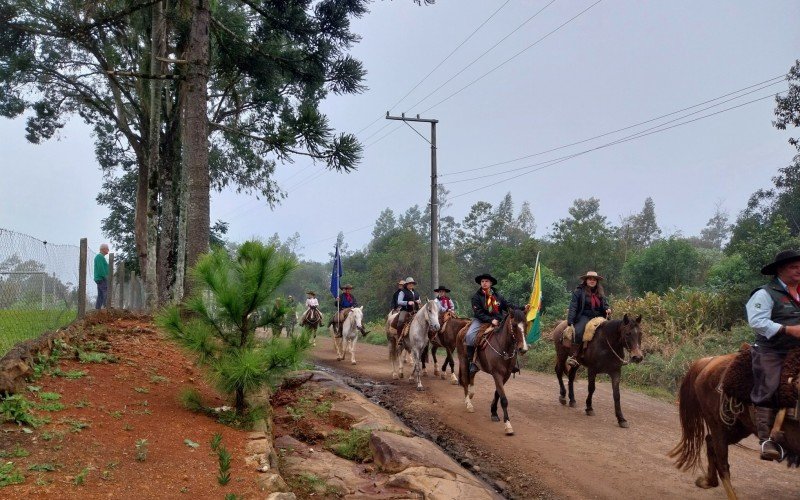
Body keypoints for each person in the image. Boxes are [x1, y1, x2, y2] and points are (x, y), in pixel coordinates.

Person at [746, 249, 800, 461]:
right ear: (780, 270)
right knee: (769, 382)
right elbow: (757, 322)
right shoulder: (765, 293)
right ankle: (767, 439)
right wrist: (788, 329)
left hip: (798, 350)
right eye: (793, 267)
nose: (799, 270)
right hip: (772, 350)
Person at [465, 273, 528, 374]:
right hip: (480, 320)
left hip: (498, 319)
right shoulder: (476, 297)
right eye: (482, 281)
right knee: (469, 335)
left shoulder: (497, 295)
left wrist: (522, 308)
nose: (484, 283)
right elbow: (478, 312)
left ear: (490, 283)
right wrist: (490, 320)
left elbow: (508, 305)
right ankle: (472, 362)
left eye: (486, 281)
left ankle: (512, 362)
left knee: (512, 334)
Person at [566, 271, 611, 368]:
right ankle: (574, 355)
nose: (592, 281)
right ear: (586, 280)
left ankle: (608, 356)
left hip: (599, 317)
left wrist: (607, 308)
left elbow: (605, 304)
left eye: (594, 279)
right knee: (578, 331)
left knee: (611, 330)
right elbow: (573, 306)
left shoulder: (600, 292)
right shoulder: (579, 291)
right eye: (590, 279)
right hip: (584, 316)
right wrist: (570, 321)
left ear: (597, 281)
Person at [94, 243, 109, 310]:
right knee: (105, 291)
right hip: (101, 278)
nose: (108, 250)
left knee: (100, 294)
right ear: (103, 249)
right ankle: (106, 306)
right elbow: (101, 268)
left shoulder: (100, 257)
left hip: (99, 278)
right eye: (107, 248)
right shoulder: (99, 256)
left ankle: (98, 309)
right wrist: (105, 276)